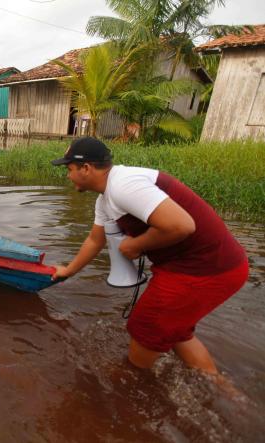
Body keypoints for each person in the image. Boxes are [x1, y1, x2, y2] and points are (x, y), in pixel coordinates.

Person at [51, 137, 248, 375]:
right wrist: (69, 271)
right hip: (200, 266)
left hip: (206, 268)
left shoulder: (124, 185)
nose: (68, 175)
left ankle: (129, 388)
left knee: (145, 325)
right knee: (175, 331)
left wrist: (135, 245)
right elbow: (95, 239)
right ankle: (223, 392)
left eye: (69, 169)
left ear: (86, 168)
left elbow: (181, 225)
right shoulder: (105, 200)